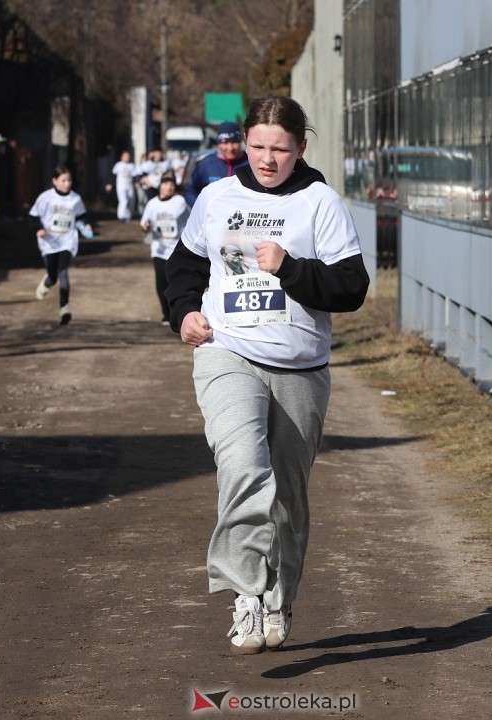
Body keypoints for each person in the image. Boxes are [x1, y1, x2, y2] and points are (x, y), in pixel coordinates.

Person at [164, 95, 370, 655]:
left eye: (279, 148)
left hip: (301, 369)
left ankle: (278, 600)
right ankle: (246, 596)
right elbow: (181, 267)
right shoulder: (215, 197)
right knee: (243, 467)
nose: (266, 158)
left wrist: (292, 268)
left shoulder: (319, 203)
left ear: (300, 147)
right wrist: (182, 312)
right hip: (226, 353)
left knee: (289, 498)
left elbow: (352, 287)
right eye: (257, 146)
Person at [29, 165, 93, 326]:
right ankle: (48, 281)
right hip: (49, 242)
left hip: (67, 240)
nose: (67, 184)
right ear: (55, 181)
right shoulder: (45, 198)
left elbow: (82, 216)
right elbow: (32, 217)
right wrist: (39, 229)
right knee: (53, 275)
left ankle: (64, 309)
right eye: (63, 180)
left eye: (69, 180)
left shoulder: (75, 199)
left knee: (63, 271)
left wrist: (87, 225)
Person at [140, 173, 190, 324]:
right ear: (160, 186)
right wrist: (145, 226)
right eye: (166, 184)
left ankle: (177, 312)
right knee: (161, 282)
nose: (169, 187)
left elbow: (174, 216)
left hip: (176, 249)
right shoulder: (152, 204)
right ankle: (166, 314)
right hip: (159, 249)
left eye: (172, 185)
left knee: (174, 282)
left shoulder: (179, 201)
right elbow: (144, 222)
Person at [184, 121, 249, 207]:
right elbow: (190, 190)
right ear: (218, 143)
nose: (230, 148)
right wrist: (201, 208)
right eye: (225, 142)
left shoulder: (249, 162)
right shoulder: (206, 164)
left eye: (234, 142)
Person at [108, 150, 137, 222]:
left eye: (128, 156)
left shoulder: (131, 166)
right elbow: (113, 175)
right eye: (125, 156)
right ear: (122, 157)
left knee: (131, 200)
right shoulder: (118, 165)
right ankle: (121, 216)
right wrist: (110, 183)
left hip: (129, 185)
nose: (127, 158)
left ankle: (129, 215)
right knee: (124, 200)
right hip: (121, 185)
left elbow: (135, 176)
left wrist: (136, 182)